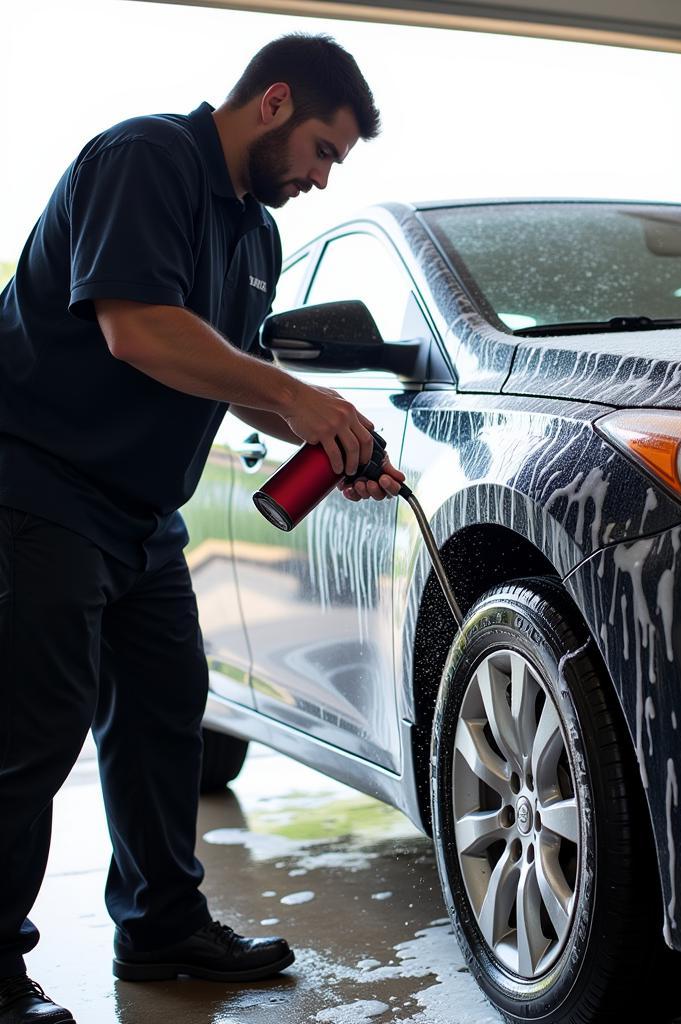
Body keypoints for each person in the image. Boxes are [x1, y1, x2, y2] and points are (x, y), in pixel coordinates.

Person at [0, 33, 405, 1024]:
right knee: (30, 734)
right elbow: (136, 329)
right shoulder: (145, 161)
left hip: (141, 516)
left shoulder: (254, 237)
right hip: (35, 486)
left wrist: (333, 436)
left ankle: (159, 926)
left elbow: (228, 377)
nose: (319, 178)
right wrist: (297, 397)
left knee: (163, 717)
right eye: (321, 150)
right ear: (273, 103)